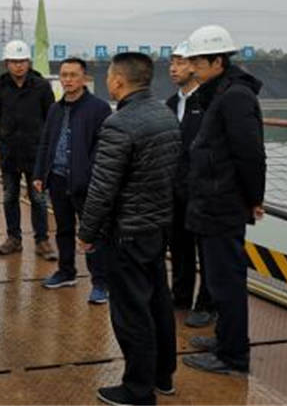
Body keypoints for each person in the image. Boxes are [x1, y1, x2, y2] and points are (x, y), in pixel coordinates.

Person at [78, 52, 180, 406]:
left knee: (131, 312)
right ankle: (163, 375)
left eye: (109, 75)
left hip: (126, 233)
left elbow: (102, 188)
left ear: (119, 81)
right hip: (157, 228)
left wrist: (87, 232)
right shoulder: (165, 115)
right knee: (158, 303)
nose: (107, 80)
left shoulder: (119, 124)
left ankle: (137, 389)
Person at [180, 25, 266, 375]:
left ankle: (233, 356)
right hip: (211, 202)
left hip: (222, 204)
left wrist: (254, 198)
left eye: (198, 62)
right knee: (218, 280)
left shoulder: (235, 97)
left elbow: (250, 154)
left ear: (218, 62)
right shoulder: (219, 92)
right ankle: (224, 339)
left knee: (227, 281)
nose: (191, 69)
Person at [33, 58, 112, 304]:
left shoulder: (99, 109)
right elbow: (46, 142)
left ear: (84, 78)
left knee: (93, 233)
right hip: (57, 179)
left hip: (85, 183)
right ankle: (66, 272)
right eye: (64, 75)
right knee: (63, 229)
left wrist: (89, 174)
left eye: (73, 75)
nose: (67, 80)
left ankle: (100, 282)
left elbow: (103, 147)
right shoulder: (55, 109)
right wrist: (39, 174)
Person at [0, 39, 56, 260]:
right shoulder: (0, 87)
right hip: (10, 152)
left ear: (29, 62)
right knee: (10, 196)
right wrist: (9, 132)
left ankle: (42, 240)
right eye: (14, 61)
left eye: (22, 61)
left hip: (35, 154)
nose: (18, 66)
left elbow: (50, 116)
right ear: (6, 63)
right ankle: (14, 238)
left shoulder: (41, 86)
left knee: (38, 198)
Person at [165, 42, 214, 327]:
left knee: (206, 251)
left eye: (181, 62)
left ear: (195, 65)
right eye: (172, 62)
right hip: (175, 189)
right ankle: (180, 296)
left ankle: (206, 304)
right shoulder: (171, 104)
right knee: (179, 245)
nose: (174, 68)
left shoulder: (208, 102)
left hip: (202, 191)